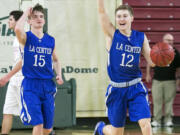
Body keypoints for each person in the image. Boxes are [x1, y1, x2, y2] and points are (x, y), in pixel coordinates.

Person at [94, 1, 155, 135]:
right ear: (116, 19)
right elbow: (102, 13)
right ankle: (100, 129)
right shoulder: (112, 35)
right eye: (119, 16)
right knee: (117, 132)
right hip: (117, 88)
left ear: (132, 18)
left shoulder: (140, 37)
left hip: (135, 87)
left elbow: (151, 60)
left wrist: (162, 60)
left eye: (125, 16)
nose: (121, 19)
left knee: (146, 124)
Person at [14, 4, 63, 135]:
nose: (38, 19)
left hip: (48, 85)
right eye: (35, 17)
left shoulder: (50, 40)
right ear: (29, 21)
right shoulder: (26, 37)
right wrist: (26, 13)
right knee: (38, 123)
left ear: (45, 20)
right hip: (31, 85)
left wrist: (59, 74)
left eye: (41, 16)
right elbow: (18, 28)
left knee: (47, 128)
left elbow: (56, 60)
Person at [146, 33, 180, 127]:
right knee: (157, 101)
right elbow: (149, 62)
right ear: (163, 40)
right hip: (157, 80)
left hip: (170, 81)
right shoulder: (157, 49)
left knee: (169, 102)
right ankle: (156, 120)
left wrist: (178, 79)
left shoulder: (176, 52)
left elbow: (178, 68)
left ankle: (168, 120)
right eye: (168, 40)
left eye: (172, 40)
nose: (170, 42)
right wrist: (148, 74)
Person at [0, 10, 23, 135]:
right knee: (7, 111)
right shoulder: (15, 38)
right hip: (14, 80)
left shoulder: (23, 37)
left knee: (32, 115)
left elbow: (23, 62)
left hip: (23, 81)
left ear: (18, 22)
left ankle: (49, 131)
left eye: (10, 19)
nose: (8, 22)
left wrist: (6, 77)